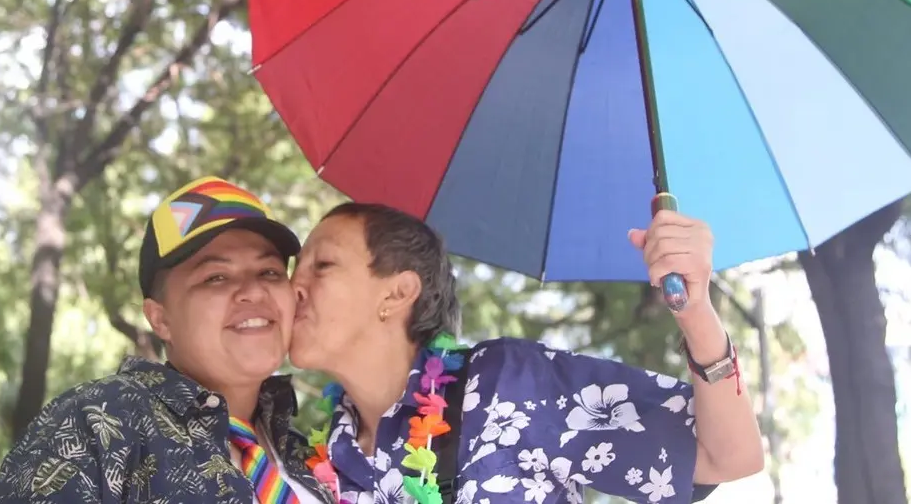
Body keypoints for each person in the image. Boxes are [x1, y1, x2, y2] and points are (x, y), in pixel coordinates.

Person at [289, 201, 764, 504]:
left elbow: (728, 456)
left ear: (397, 294)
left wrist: (695, 309)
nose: (294, 287)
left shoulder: (505, 385)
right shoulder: (315, 463)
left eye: (322, 265)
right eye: (294, 270)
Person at [0, 177, 334, 504]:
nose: (254, 290)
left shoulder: (307, 456)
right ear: (160, 319)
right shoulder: (100, 421)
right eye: (216, 277)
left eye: (269, 272)